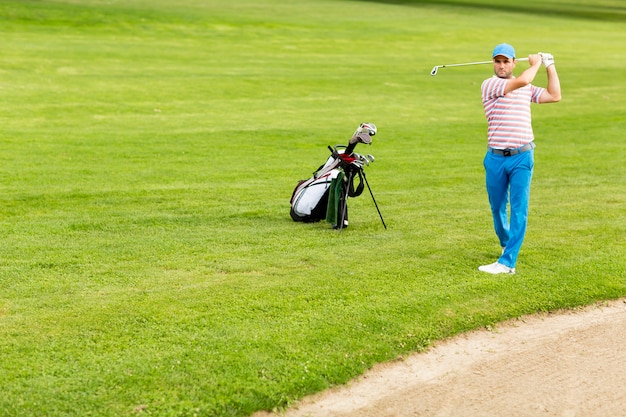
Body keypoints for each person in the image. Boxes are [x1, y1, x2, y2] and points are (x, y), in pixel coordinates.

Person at [478, 43, 561, 274]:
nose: (502, 66)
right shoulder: (490, 85)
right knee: (497, 207)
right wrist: (535, 64)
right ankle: (506, 243)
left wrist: (549, 65)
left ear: (514, 62)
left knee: (519, 208)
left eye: (506, 61)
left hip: (522, 156)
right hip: (495, 157)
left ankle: (508, 261)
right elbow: (523, 81)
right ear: (493, 63)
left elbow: (555, 95)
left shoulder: (526, 87)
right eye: (498, 61)